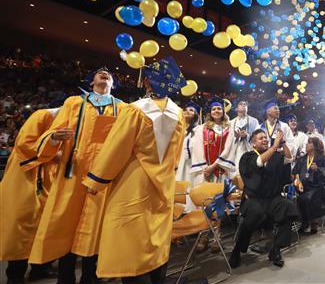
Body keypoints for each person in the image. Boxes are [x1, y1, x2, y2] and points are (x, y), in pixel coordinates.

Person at [82, 56, 186, 283]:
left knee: (130, 243)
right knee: (155, 240)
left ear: (148, 82)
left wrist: (96, 181)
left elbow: (116, 149)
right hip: (164, 184)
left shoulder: (135, 110)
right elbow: (177, 155)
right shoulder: (179, 114)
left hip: (134, 183)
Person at [27, 68, 124, 284]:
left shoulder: (123, 109)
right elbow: (52, 132)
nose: (104, 74)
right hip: (73, 171)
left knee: (95, 228)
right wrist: (54, 138)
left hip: (103, 176)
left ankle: (90, 278)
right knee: (66, 226)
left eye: (108, 73)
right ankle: (65, 278)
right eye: (100, 73)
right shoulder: (73, 103)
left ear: (114, 83)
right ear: (91, 82)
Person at [0, 107, 60, 283]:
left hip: (48, 178)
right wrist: (54, 153)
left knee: (45, 226)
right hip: (27, 176)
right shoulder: (43, 115)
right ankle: (15, 276)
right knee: (22, 226)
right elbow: (24, 145)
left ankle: (40, 268)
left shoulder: (71, 122)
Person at [229, 129, 297, 269]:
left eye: (266, 137)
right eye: (261, 138)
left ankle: (276, 249)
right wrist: (274, 146)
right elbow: (259, 162)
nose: (265, 139)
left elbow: (289, 158)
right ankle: (237, 250)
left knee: (288, 208)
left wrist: (282, 143)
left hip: (273, 198)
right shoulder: (247, 157)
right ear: (253, 143)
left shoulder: (275, 156)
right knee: (256, 214)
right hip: (253, 199)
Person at [190, 97, 235, 186]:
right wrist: (206, 168)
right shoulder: (202, 128)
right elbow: (197, 148)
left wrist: (213, 166)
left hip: (222, 169)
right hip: (204, 171)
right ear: (210, 113)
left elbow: (229, 148)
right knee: (204, 197)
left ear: (223, 112)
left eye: (219, 109)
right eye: (213, 109)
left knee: (220, 195)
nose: (216, 111)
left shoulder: (229, 128)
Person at [292, 137, 325, 234]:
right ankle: (306, 221)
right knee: (301, 197)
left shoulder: (323, 159)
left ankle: (312, 221)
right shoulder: (302, 159)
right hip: (302, 188)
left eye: (309, 143)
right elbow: (294, 173)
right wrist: (297, 180)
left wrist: (317, 169)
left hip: (317, 187)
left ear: (315, 146)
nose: (306, 145)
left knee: (308, 198)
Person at [229, 100, 260, 172]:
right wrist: (235, 137)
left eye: (245, 104)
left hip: (250, 150)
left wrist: (247, 136)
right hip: (236, 151)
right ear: (236, 108)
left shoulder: (254, 121)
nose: (244, 105)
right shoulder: (231, 122)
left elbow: (258, 136)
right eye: (241, 104)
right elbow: (228, 140)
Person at [175, 102, 201, 185]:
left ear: (196, 115)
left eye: (191, 110)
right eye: (185, 110)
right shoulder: (177, 129)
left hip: (192, 162)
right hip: (178, 160)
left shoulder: (199, 129)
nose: (187, 111)